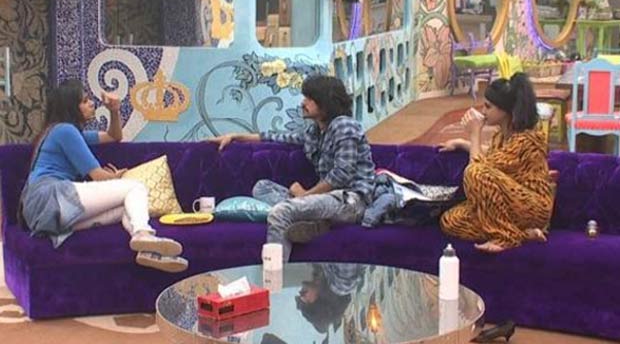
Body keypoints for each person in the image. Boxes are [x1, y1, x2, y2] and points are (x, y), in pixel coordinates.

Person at [19, 79, 188, 272]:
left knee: (126, 208)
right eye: (84, 101)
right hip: (51, 197)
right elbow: (98, 176)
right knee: (135, 186)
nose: (92, 103)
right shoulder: (65, 131)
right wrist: (116, 177)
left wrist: (114, 110)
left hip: (45, 213)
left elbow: (114, 136)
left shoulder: (69, 133)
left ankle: (147, 250)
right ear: (71, 107)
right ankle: (143, 233)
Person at [209, 75, 375, 262]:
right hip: (325, 201)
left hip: (351, 201)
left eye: (309, 99)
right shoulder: (315, 132)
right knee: (262, 187)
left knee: (281, 212)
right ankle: (314, 220)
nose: (303, 103)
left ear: (325, 102)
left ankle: (275, 275)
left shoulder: (344, 126)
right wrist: (235, 136)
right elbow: (276, 137)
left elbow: (342, 175)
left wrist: (305, 196)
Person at [438, 73, 553, 253]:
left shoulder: (527, 140)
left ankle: (507, 238)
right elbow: (493, 155)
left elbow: (478, 168)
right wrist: (462, 143)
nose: (483, 112)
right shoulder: (503, 134)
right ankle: (524, 234)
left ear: (506, 111)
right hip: (508, 205)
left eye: (488, 106)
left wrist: (474, 133)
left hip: (532, 206)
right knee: (450, 221)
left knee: (475, 173)